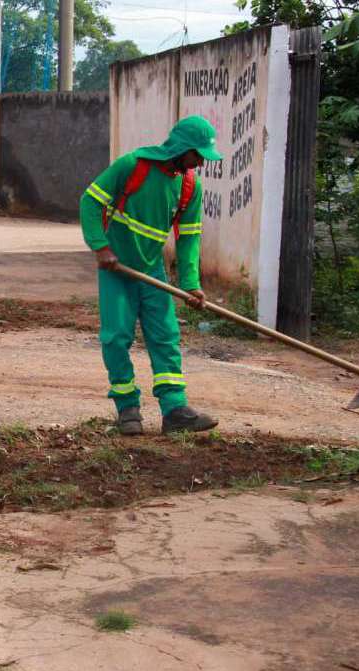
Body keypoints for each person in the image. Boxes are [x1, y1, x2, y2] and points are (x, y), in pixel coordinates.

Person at [79, 115, 221, 436]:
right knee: (116, 337)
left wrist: (190, 284)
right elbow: (89, 202)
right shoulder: (133, 166)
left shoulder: (189, 186)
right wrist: (101, 247)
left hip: (151, 269)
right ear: (182, 148)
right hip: (117, 267)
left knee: (165, 336)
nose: (200, 162)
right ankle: (127, 408)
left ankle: (175, 410)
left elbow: (189, 238)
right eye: (197, 155)